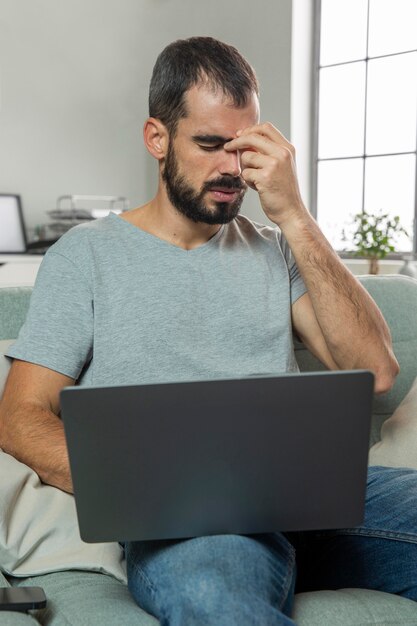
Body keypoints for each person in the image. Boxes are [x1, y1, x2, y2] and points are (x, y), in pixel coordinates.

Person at [0, 36, 416, 626]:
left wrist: (294, 214)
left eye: (243, 148)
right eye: (210, 144)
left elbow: (376, 370)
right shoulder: (86, 256)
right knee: (215, 598)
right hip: (186, 518)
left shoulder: (279, 247)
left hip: (311, 500)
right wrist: (148, 485)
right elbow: (20, 416)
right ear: (157, 138)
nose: (231, 168)